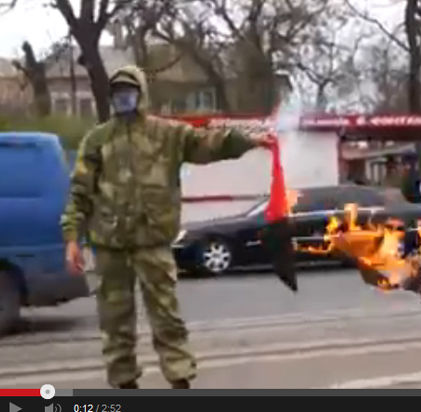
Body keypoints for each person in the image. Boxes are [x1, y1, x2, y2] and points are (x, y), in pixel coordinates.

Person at [61, 65, 274, 389]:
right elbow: (79, 191)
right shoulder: (98, 140)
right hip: (110, 246)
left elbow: (209, 143)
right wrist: (71, 238)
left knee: (167, 317)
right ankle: (123, 383)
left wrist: (247, 141)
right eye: (118, 93)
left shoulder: (168, 134)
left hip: (153, 243)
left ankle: (179, 378)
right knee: (115, 321)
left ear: (141, 93)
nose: (123, 99)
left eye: (129, 92)